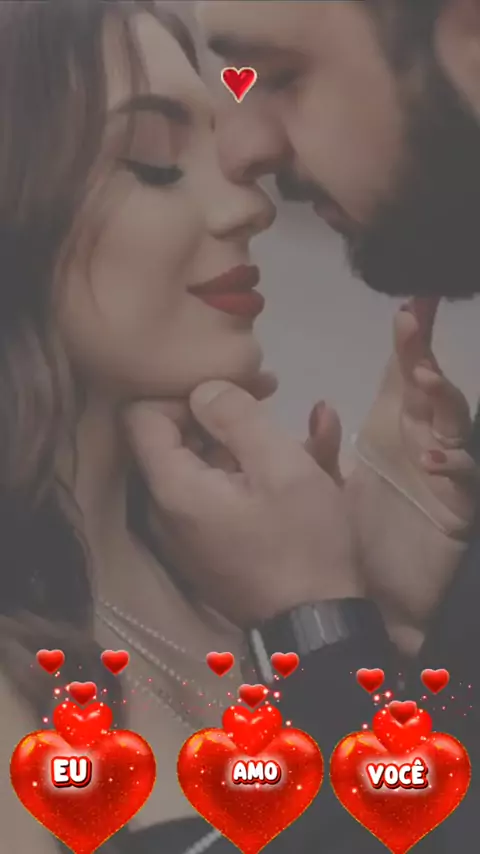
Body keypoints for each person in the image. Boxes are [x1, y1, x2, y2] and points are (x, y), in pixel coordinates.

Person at [0, 5, 475, 854]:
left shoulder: (248, 599)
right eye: (154, 161)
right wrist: (324, 622)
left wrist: (392, 637)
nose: (248, 203)